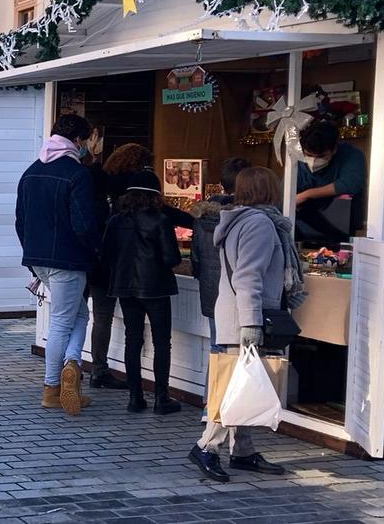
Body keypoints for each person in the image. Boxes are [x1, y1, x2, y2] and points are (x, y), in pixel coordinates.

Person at [189, 167, 299, 482]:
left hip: (236, 313)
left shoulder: (242, 221)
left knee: (244, 384)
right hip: (245, 317)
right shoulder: (261, 225)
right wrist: (251, 324)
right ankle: (206, 446)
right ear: (268, 191)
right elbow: (248, 276)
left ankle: (243, 450)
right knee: (235, 387)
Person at [15, 114, 98, 415]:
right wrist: (95, 250)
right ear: (78, 140)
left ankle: (70, 372)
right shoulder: (77, 175)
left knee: (77, 313)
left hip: (38, 259)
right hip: (69, 258)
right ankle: (53, 385)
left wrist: (31, 253)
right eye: (88, 140)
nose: (89, 146)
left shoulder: (31, 172)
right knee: (64, 319)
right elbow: (84, 224)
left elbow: (20, 221)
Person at [102, 170, 183, 415]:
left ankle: (135, 398)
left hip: (125, 287)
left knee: (132, 340)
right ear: (155, 194)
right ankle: (162, 398)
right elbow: (171, 258)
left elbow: (106, 255)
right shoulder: (160, 220)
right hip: (156, 287)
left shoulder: (116, 220)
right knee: (161, 343)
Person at [88, 143, 157, 390]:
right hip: (127, 265)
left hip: (100, 262)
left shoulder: (101, 184)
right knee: (133, 321)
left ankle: (97, 368)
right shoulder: (133, 188)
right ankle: (132, 375)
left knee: (101, 318)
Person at [190, 157, 250, 345]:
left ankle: (213, 377)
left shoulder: (203, 215)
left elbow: (196, 258)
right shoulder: (246, 216)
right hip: (238, 293)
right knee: (240, 354)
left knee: (217, 349)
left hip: (211, 289)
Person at [295, 120, 366, 243]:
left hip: (341, 231)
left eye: (322, 156)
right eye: (309, 155)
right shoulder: (297, 159)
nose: (314, 161)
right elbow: (283, 196)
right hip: (302, 231)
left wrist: (306, 195)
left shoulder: (351, 155)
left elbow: (350, 184)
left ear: (334, 149)